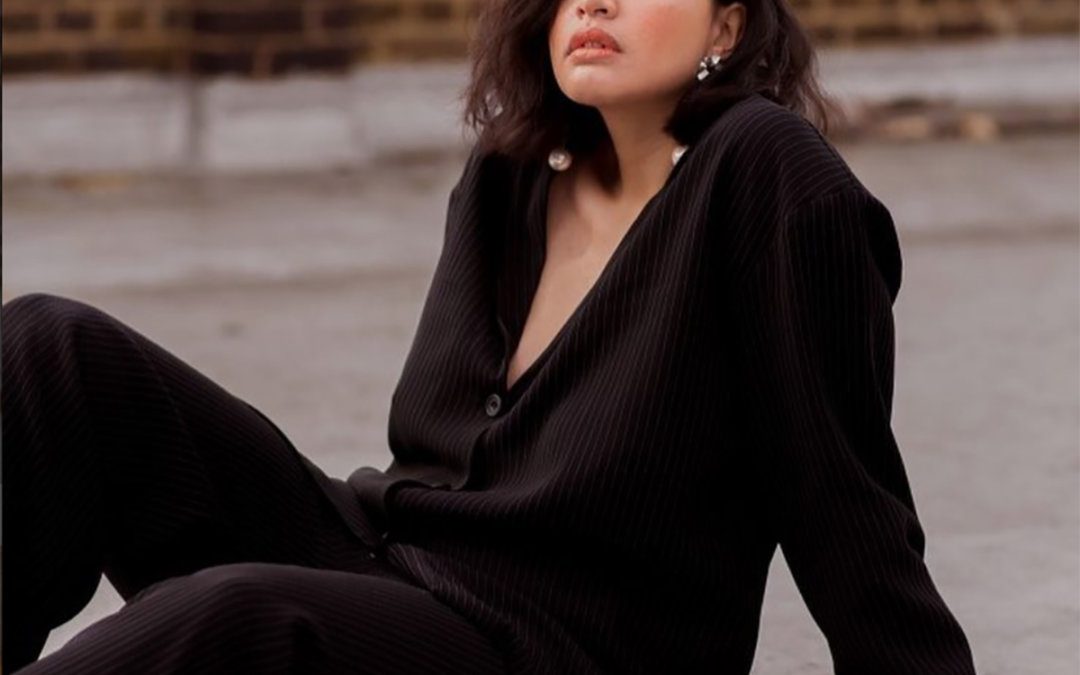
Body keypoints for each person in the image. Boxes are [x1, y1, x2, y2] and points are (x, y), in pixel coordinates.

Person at [2, 0, 980, 672]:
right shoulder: (512, 172)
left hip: (555, 645)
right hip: (393, 560)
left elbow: (844, 502)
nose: (593, 3)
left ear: (727, 24)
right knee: (51, 348)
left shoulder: (768, 175)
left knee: (235, 617)